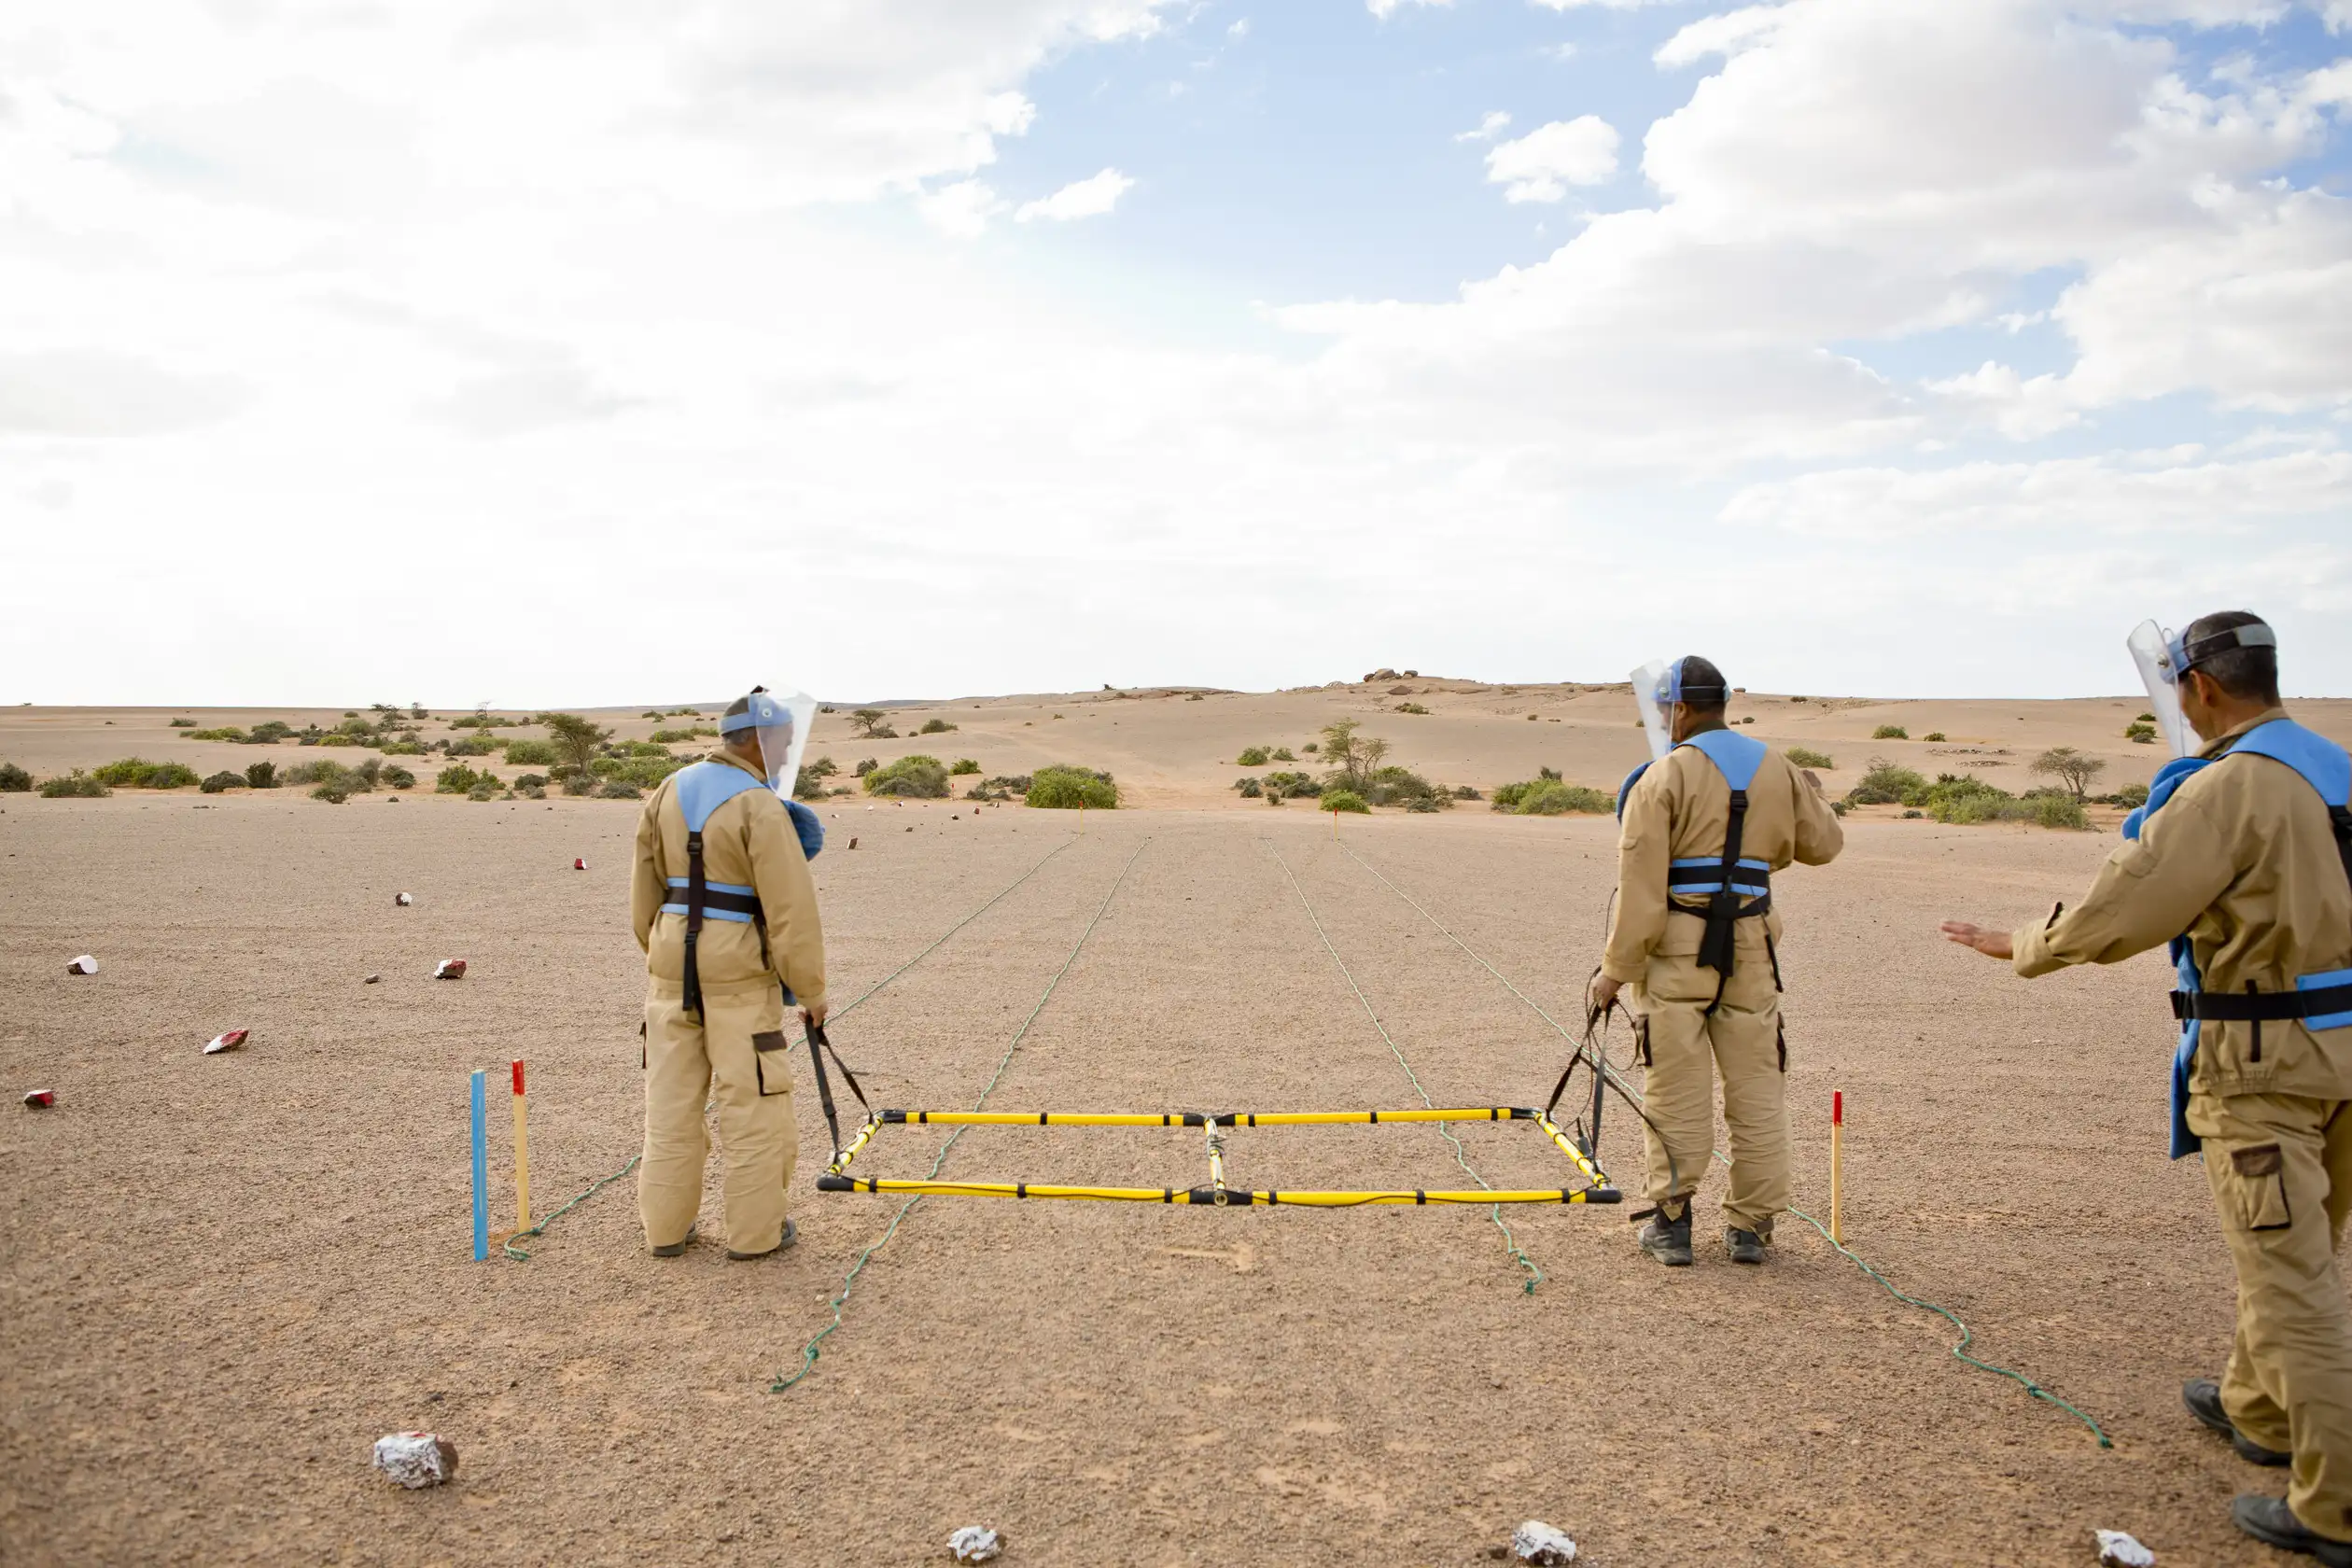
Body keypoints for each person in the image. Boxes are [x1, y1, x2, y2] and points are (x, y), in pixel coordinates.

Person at [1942, 611, 2352, 1562]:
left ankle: (2332, 1505)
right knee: (2300, 1243)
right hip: (2344, 1050)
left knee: (2294, 1281)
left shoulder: (2226, 789)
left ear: (2201, 688)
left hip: (2266, 1065)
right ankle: (2256, 1406)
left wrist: (2022, 943)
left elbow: (2124, 910)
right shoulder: (2334, 767)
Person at [1590, 656, 1843, 1267]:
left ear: (1679, 708)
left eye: (1662, 709)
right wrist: (1802, 796)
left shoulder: (1662, 777)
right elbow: (1824, 844)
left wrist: (1613, 973)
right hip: (1753, 947)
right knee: (1757, 1087)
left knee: (1675, 1087)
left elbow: (1642, 894)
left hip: (1677, 951)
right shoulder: (1774, 766)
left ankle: (1672, 1224)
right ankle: (1753, 1227)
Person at [631, 687, 829, 1261]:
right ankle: (755, 1237)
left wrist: (667, 957)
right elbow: (791, 910)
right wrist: (811, 991)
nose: (787, 756)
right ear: (758, 741)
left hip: (671, 972)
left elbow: (645, 897)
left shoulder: (667, 790)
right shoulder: (760, 805)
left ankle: (665, 1232)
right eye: (783, 744)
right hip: (739, 977)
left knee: (670, 1106)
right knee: (754, 1107)